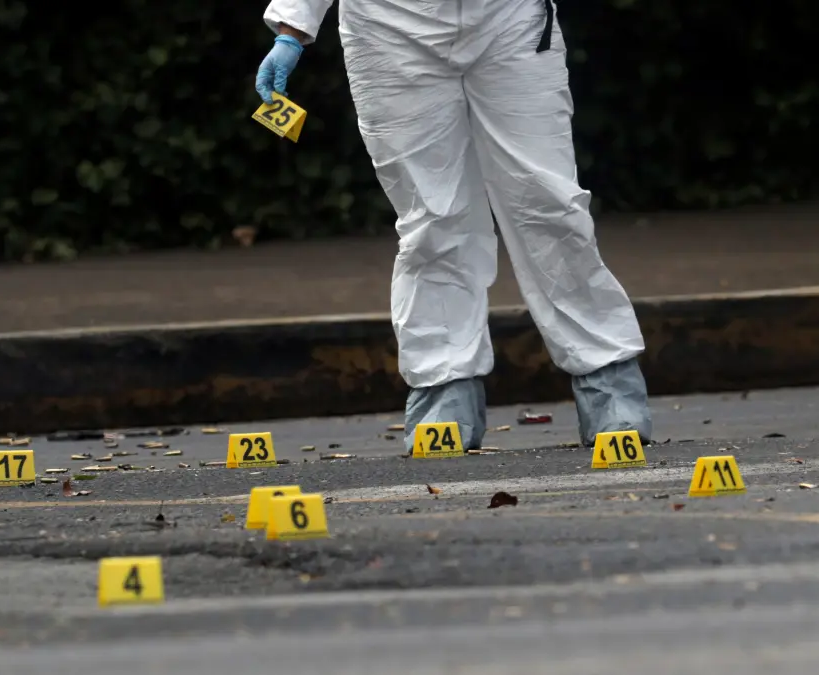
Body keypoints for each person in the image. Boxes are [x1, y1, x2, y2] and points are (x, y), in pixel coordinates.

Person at [256, 0, 653, 451]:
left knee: (549, 204)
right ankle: (443, 384)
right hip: (388, 26)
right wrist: (291, 29)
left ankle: (607, 376)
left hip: (508, 17)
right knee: (432, 217)